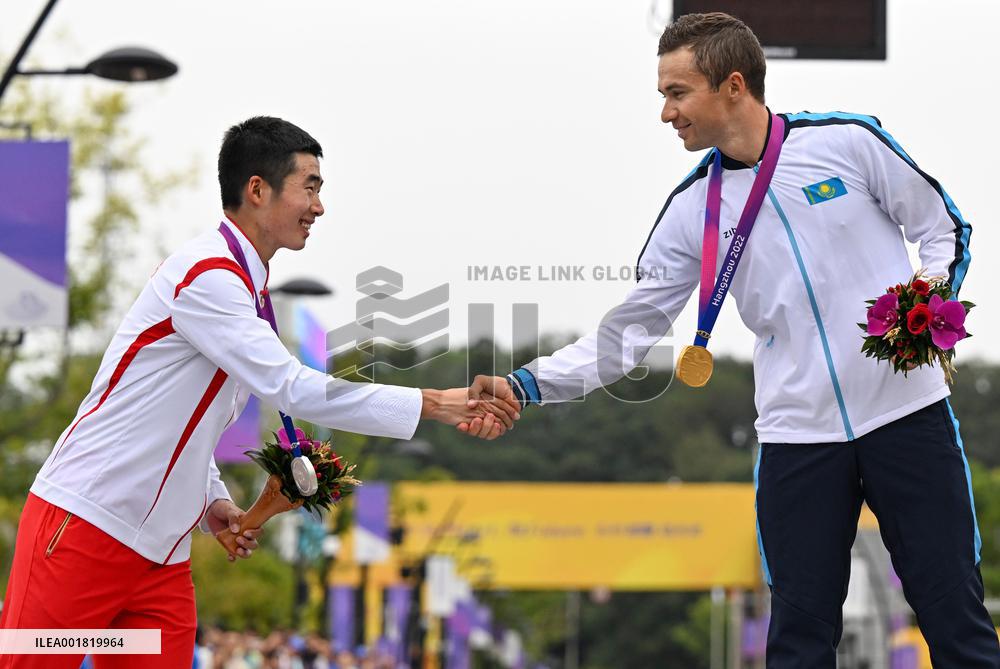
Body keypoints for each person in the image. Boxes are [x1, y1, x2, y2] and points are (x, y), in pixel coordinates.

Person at [461, 12, 1000, 668]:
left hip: (907, 414)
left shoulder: (849, 144)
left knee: (956, 621)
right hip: (797, 439)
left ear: (734, 86)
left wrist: (928, 296)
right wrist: (525, 383)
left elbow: (946, 228)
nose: (665, 112)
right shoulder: (693, 210)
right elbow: (627, 336)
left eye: (677, 92)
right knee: (798, 643)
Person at [0, 116, 518, 669]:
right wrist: (434, 402)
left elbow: (192, 424)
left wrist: (212, 498)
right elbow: (293, 388)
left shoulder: (249, 291)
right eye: (311, 187)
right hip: (86, 527)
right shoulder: (209, 276)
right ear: (257, 189)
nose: (320, 207)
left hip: (161, 557)